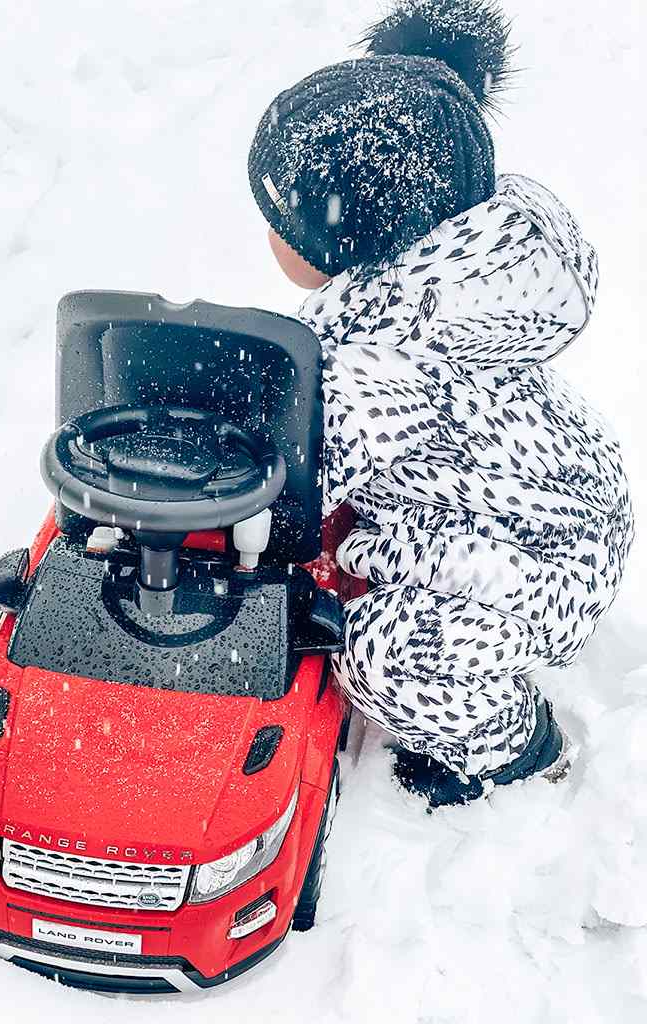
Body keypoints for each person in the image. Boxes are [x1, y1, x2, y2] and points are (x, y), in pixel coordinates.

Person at [247, 0, 634, 807]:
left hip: (527, 559)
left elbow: (296, 465)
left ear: (341, 239)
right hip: (523, 497)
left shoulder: (393, 354)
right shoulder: (430, 273)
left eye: (279, 222)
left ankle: (512, 746)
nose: (269, 236)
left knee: (390, 662)